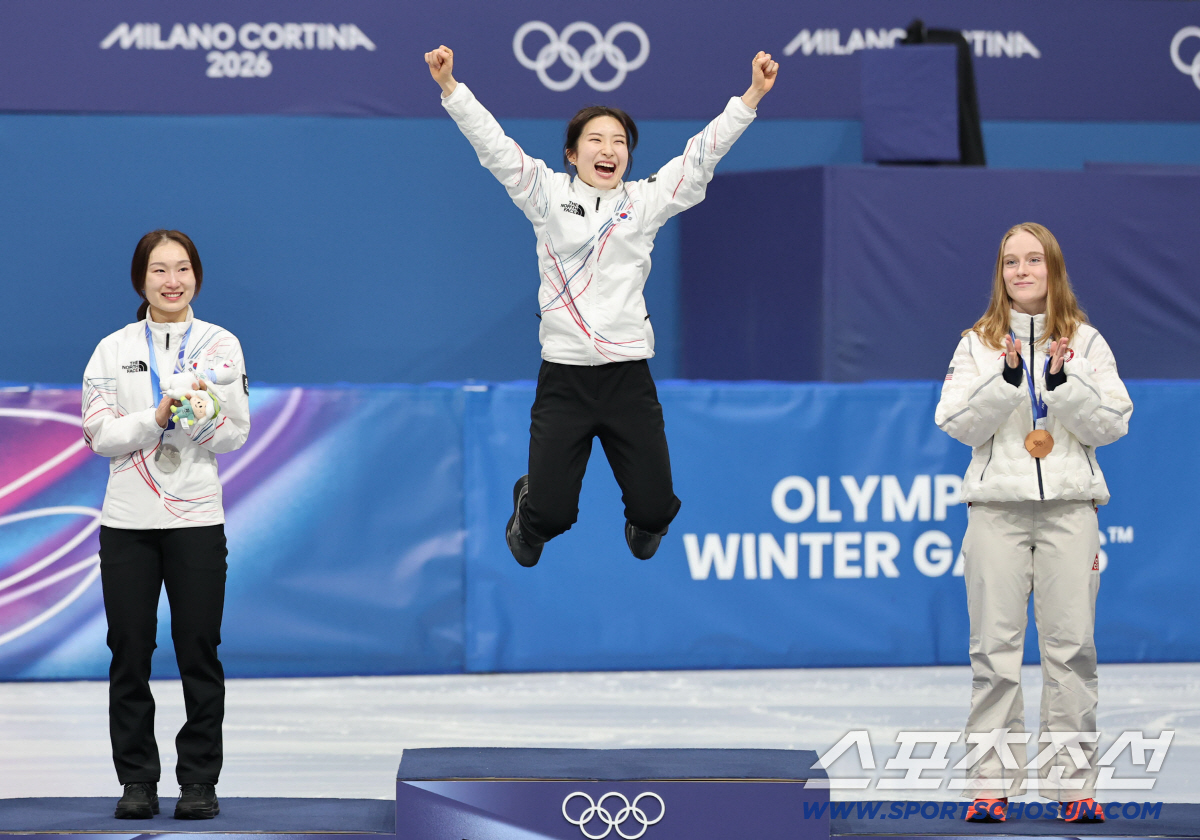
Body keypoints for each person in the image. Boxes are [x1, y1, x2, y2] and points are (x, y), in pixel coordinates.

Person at [424, 44, 778, 567]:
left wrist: (750, 96)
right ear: (572, 153)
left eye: (619, 142)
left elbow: (701, 154)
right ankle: (531, 505)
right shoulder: (545, 195)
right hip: (564, 380)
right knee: (550, 517)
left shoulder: (644, 202)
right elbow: (495, 147)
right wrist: (451, 89)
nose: (609, 149)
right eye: (596, 139)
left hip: (627, 379)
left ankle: (645, 516)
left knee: (658, 510)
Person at [934, 223, 1132, 823]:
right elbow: (956, 424)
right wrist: (1009, 378)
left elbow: (1112, 424)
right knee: (994, 653)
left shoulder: (1087, 343)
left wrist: (1063, 382)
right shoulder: (977, 344)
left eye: (1032, 260)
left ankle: (1073, 788)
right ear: (1000, 273)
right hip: (996, 512)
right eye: (1009, 262)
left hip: (1071, 511)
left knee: (1072, 650)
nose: (1020, 271)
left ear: (1054, 268)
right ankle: (990, 785)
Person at [82, 230, 250, 820]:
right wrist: (155, 418)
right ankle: (136, 781)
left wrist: (201, 420)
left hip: (197, 519)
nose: (172, 280)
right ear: (141, 279)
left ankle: (199, 781)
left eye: (182, 269)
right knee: (129, 650)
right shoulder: (112, 348)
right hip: (127, 522)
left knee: (198, 649)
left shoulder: (220, 344)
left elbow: (235, 434)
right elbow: (99, 435)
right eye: (159, 270)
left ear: (196, 277)